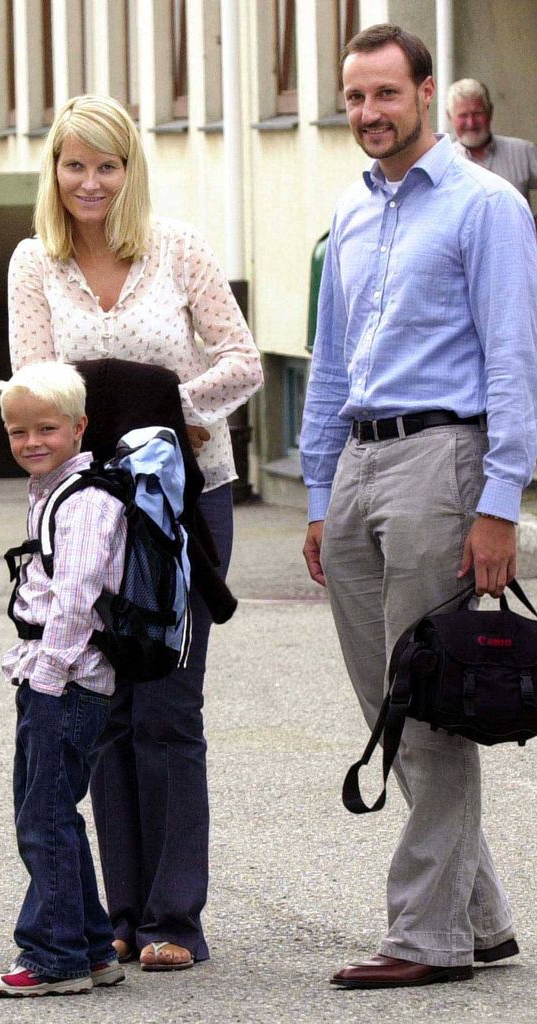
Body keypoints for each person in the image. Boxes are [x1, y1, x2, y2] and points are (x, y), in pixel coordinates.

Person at [301, 24, 537, 990]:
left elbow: (514, 359)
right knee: (388, 703)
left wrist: (500, 504)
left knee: (431, 704)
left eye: (386, 94)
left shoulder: (487, 208)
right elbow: (327, 364)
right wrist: (319, 492)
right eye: (356, 97)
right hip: (358, 462)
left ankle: (426, 936)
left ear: (428, 95)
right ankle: (479, 918)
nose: (369, 113)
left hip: (442, 461)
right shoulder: (352, 213)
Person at [7, 94, 262, 972]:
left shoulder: (179, 248)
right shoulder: (32, 263)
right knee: (104, 706)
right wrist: (119, 413)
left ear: (130, 170)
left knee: (168, 706)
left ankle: (174, 918)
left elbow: (243, 360)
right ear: (55, 170)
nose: (90, 182)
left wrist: (165, 408)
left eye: (107, 165)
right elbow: (34, 387)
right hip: (86, 512)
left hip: (184, 504)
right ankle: (121, 915)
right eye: (75, 165)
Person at [0, 361, 124, 997]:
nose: (31, 441)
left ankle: (54, 957)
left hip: (65, 680)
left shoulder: (85, 501)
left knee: (43, 819)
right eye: (18, 431)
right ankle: (91, 947)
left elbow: (76, 596)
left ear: (79, 426)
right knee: (52, 811)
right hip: (55, 676)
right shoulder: (53, 490)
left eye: (46, 429)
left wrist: (49, 676)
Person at [448, 78, 537, 201]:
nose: (471, 123)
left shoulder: (523, 153)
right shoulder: (446, 162)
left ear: (490, 112)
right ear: (449, 117)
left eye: (477, 113)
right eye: (463, 115)